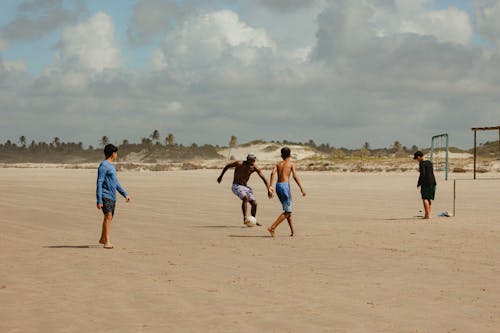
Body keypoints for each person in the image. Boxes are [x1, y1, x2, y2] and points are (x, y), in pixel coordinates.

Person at [217, 153, 272, 226]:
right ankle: (245, 218)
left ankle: (253, 220)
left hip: (246, 187)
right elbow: (227, 166)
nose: (253, 162)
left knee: (254, 204)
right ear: (248, 160)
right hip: (236, 186)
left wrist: (268, 189)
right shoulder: (239, 163)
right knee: (245, 198)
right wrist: (221, 176)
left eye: (254, 161)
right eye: (252, 160)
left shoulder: (254, 167)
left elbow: (263, 178)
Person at [96, 144, 131, 249]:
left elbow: (115, 183)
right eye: (116, 152)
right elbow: (99, 182)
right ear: (113, 153)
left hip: (112, 196)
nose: (117, 154)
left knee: (108, 218)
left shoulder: (112, 166)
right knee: (108, 216)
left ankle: (102, 238)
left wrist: (125, 194)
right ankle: (107, 242)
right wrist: (99, 199)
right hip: (105, 195)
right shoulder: (103, 165)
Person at [267, 147, 306, 237]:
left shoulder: (278, 164)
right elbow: (295, 176)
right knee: (288, 211)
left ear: (281, 155)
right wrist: (301, 188)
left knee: (287, 209)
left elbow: (272, 173)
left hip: (278, 186)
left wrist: (270, 186)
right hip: (285, 187)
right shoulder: (291, 164)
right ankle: (272, 227)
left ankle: (293, 231)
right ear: (290, 155)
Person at [414, 150, 436, 219]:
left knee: (424, 198)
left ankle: (427, 215)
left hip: (426, 183)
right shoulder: (430, 162)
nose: (417, 160)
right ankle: (427, 214)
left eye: (416, 158)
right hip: (433, 182)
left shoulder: (421, 163)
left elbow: (422, 174)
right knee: (428, 199)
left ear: (419, 157)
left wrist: (419, 183)